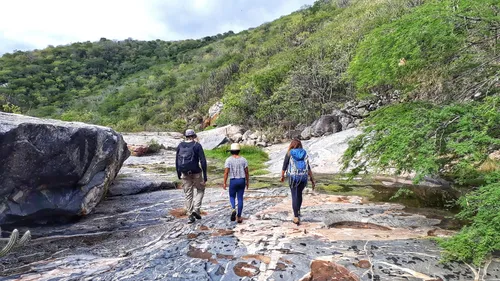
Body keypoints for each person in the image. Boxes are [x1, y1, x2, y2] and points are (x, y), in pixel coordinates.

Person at [280, 139, 315, 225]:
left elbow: (285, 165)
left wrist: (282, 176)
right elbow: (308, 166)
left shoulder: (290, 153)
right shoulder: (304, 153)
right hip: (303, 177)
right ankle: (298, 211)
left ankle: (296, 217)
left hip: (293, 177)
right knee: (299, 194)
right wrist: (312, 178)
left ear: (292, 145)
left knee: (294, 195)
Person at [176, 129, 208, 224]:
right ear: (194, 136)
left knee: (188, 194)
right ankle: (196, 209)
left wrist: (178, 172)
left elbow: (177, 160)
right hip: (196, 172)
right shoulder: (197, 145)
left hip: (184, 173)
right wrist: (205, 175)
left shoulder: (180, 145)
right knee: (200, 189)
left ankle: (190, 215)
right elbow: (203, 161)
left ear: (185, 136)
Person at [223, 143, 249, 223]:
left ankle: (233, 208)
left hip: (233, 180)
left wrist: (224, 182)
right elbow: (247, 172)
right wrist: (247, 181)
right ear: (238, 151)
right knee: (240, 198)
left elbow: (226, 172)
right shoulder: (244, 160)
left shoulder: (228, 160)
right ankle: (239, 216)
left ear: (231, 151)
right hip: (241, 180)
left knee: (232, 196)